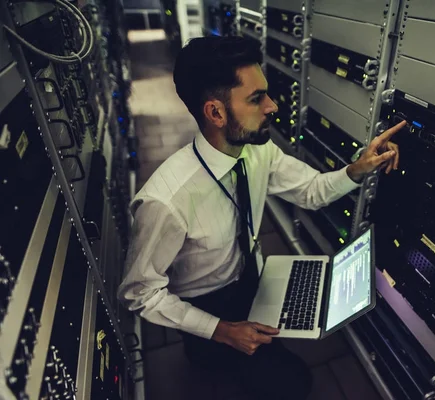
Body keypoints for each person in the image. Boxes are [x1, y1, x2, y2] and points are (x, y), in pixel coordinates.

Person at [117, 35, 405, 400]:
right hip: (207, 305)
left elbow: (311, 191)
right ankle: (215, 356)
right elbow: (139, 293)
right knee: (295, 382)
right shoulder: (165, 201)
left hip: (252, 277)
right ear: (216, 113)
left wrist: (358, 169)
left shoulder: (257, 151)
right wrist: (220, 329)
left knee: (286, 364)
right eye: (256, 98)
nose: (272, 106)